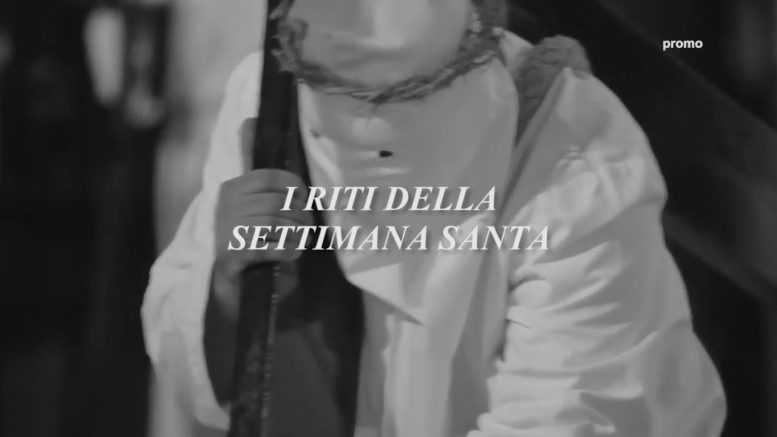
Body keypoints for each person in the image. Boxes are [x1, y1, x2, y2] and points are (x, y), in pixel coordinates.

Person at [142, 0, 726, 436]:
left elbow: (580, 410)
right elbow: (189, 359)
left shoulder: (572, 158)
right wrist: (227, 292)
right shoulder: (267, 105)